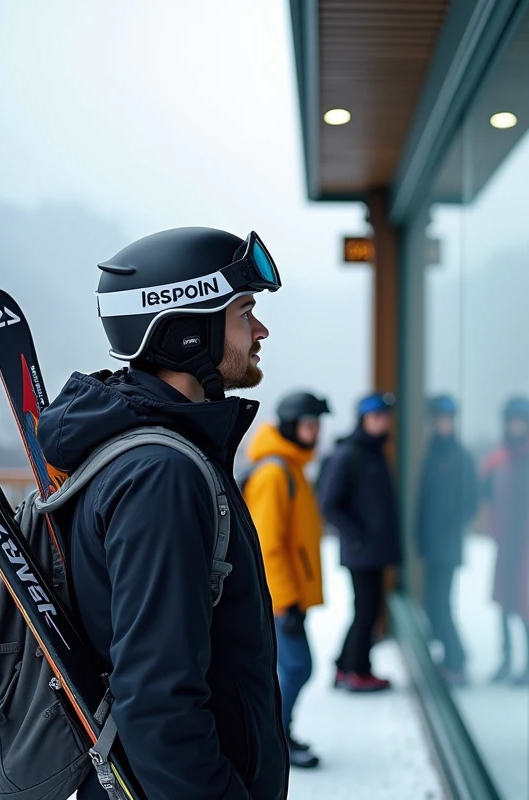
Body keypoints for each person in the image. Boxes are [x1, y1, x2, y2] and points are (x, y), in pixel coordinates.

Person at [35, 227, 289, 799]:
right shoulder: (161, 474)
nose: (261, 330)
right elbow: (157, 698)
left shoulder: (156, 454)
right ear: (185, 330)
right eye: (244, 311)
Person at [242, 391, 331, 770]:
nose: (315, 431)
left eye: (317, 423)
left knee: (290, 668)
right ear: (291, 425)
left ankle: (276, 734)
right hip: (281, 597)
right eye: (309, 423)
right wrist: (286, 601)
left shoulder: (292, 467)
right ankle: (274, 737)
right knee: (295, 668)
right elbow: (268, 546)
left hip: (288, 594)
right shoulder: (275, 473)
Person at [318, 391, 402, 692]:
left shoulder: (375, 451)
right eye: (376, 416)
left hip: (372, 551)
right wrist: (358, 536)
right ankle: (358, 671)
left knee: (367, 609)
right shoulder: (349, 454)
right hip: (361, 551)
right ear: (364, 420)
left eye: (385, 416)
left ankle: (344, 666)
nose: (382, 421)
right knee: (367, 611)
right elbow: (329, 504)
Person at [416, 395, 478, 686]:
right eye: (439, 418)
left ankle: (457, 660)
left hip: (448, 546)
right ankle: (452, 657)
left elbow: (472, 502)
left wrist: (451, 525)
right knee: (432, 605)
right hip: (431, 546)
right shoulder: (432, 453)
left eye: (448, 419)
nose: (444, 424)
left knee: (441, 605)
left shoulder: (460, 456)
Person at [480, 396, 529, 687]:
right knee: (504, 602)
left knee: (525, 604)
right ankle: (506, 660)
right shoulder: (497, 460)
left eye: (520, 421)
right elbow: (484, 496)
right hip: (506, 542)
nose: (515, 426)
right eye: (511, 421)